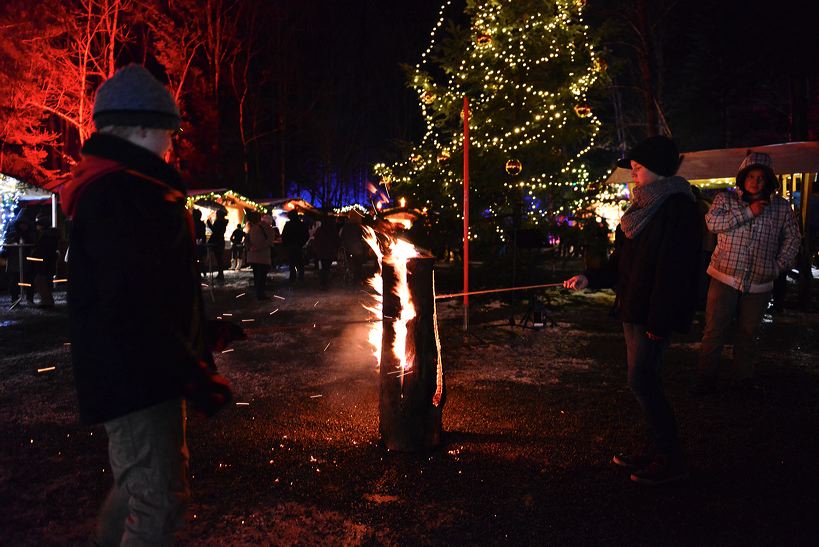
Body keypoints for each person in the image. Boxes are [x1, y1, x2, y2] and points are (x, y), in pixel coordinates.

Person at [59, 64, 234, 545]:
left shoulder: (132, 189)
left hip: (142, 373)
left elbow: (152, 288)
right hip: (137, 378)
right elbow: (132, 303)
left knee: (142, 488)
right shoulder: (123, 194)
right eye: (167, 132)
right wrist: (193, 372)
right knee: (158, 500)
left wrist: (203, 331)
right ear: (139, 128)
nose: (172, 144)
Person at [564, 135, 701, 486]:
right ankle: (656, 448)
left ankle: (670, 458)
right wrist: (589, 278)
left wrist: (660, 319)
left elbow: (675, 271)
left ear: (657, 169)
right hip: (633, 307)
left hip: (651, 312)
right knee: (644, 380)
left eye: (639, 168)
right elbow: (621, 264)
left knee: (642, 379)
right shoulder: (640, 209)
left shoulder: (678, 208)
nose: (633, 174)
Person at [696, 152, 800, 393]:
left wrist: (778, 266)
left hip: (760, 281)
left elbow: (793, 238)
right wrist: (748, 212)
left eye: (761, 177)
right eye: (751, 176)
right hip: (725, 274)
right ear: (743, 178)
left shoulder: (780, 208)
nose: (755, 181)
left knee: (748, 332)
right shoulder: (726, 200)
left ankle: (743, 379)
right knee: (715, 329)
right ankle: (705, 378)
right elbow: (712, 223)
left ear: (769, 181)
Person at [3, 212, 35, 304]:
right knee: (14, 281)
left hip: (25, 261)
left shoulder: (29, 234)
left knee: (28, 280)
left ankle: (29, 298)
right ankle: (15, 299)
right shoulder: (12, 235)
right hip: (15, 260)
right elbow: (7, 244)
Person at [30, 212, 60, 308]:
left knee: (40, 280)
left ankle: (47, 301)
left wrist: (35, 253)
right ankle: (47, 301)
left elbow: (42, 249)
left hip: (44, 261)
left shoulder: (45, 236)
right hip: (48, 261)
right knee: (44, 280)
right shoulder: (52, 234)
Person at [245, 210, 276, 299]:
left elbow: (246, 240)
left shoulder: (252, 228)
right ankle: (260, 294)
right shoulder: (268, 228)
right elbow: (269, 241)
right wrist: (257, 247)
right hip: (263, 257)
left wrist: (250, 248)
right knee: (261, 276)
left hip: (253, 256)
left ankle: (258, 293)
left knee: (256, 275)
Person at [312, 212, 341, 290]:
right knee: (326, 268)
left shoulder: (320, 230)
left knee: (323, 268)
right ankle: (325, 283)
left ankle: (323, 283)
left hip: (321, 253)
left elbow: (316, 240)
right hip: (330, 253)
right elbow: (337, 241)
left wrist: (316, 249)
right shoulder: (333, 230)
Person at [340, 209, 367, 284]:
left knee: (352, 264)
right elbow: (362, 238)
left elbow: (342, 237)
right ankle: (357, 278)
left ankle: (354, 278)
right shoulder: (359, 227)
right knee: (358, 265)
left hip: (349, 249)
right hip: (358, 250)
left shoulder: (346, 227)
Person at [281, 209, 309, 282]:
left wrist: (286, 243)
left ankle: (292, 277)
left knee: (292, 262)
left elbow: (284, 235)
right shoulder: (302, 224)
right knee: (300, 262)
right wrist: (302, 242)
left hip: (291, 245)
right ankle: (301, 277)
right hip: (298, 245)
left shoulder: (288, 224)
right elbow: (306, 235)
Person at [207, 209, 228, 283]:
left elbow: (215, 231)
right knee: (219, 259)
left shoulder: (219, 222)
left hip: (217, 242)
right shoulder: (223, 222)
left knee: (218, 258)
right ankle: (220, 274)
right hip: (220, 241)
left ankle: (220, 274)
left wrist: (209, 224)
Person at [191, 208, 207, 278]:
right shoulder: (201, 224)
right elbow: (203, 235)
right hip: (199, 243)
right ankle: (202, 271)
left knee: (196, 259)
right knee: (200, 259)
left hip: (196, 243)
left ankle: (199, 271)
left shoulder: (193, 223)